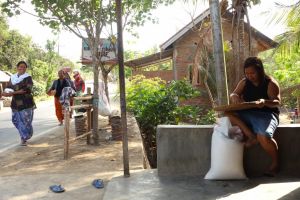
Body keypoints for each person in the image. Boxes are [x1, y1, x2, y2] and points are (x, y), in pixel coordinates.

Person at [225, 57, 281, 176]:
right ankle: (251, 136)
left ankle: (275, 164)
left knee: (264, 137)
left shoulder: (270, 83)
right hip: (248, 113)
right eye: (247, 73)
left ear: (260, 71)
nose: (250, 76)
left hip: (267, 114)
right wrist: (234, 96)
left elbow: (277, 102)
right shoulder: (244, 82)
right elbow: (235, 93)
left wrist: (264, 102)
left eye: (252, 73)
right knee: (227, 114)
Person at [1, 61, 36, 146]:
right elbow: (8, 87)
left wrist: (13, 93)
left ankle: (23, 138)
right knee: (16, 120)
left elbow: (27, 90)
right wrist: (6, 92)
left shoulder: (28, 77)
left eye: (24, 67)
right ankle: (27, 133)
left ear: (26, 68)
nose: (22, 68)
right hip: (15, 103)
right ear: (17, 67)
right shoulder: (12, 77)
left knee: (25, 121)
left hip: (26, 102)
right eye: (20, 66)